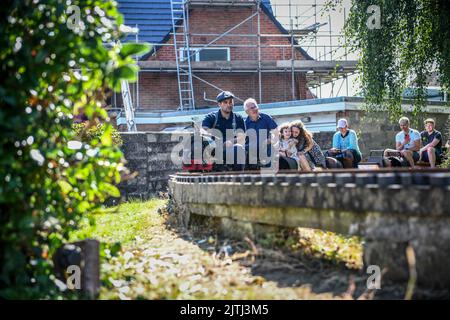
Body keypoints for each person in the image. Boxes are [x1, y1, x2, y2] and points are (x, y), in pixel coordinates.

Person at [202, 91, 246, 171]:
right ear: (219, 104)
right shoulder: (211, 117)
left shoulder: (238, 118)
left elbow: (242, 137)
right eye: (225, 102)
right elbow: (203, 131)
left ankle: (238, 177)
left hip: (231, 149)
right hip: (215, 149)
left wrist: (231, 142)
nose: (229, 105)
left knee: (239, 149)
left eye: (230, 102)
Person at [243, 98, 278, 168]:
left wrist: (271, 139)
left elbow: (276, 131)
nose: (255, 109)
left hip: (265, 146)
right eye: (252, 108)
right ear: (247, 112)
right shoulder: (245, 124)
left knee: (271, 147)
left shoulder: (266, 118)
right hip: (251, 149)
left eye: (255, 106)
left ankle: (267, 168)